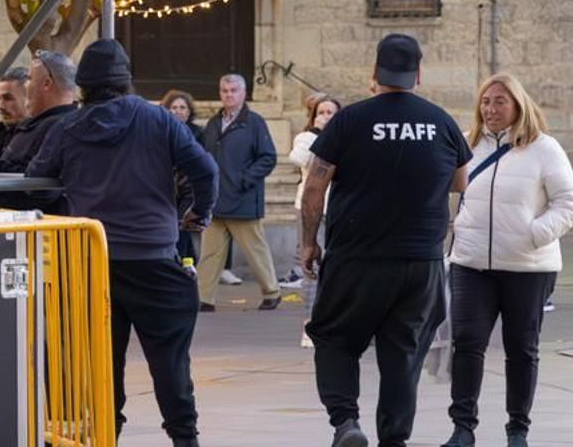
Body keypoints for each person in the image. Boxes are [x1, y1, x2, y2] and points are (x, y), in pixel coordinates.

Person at [27, 38, 217, 447]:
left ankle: (105, 434)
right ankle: (185, 439)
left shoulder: (67, 128)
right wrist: (198, 214)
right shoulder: (159, 120)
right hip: (154, 261)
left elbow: (35, 185)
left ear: (84, 86)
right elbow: (205, 170)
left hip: (94, 265)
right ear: (125, 80)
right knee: (170, 364)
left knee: (102, 363)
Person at [301, 33, 471, 447]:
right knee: (403, 353)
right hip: (420, 263)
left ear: (375, 73)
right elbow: (460, 182)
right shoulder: (441, 121)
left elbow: (313, 187)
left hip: (356, 258)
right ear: (418, 74)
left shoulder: (350, 120)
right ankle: (393, 439)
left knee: (335, 338)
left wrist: (309, 242)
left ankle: (346, 422)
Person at [441, 74, 573, 447]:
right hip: (471, 265)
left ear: (518, 105)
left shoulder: (544, 148)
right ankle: (462, 429)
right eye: (485, 102)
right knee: (468, 343)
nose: (491, 109)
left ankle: (517, 429)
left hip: (527, 267)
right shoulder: (468, 145)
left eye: (500, 101)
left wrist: (534, 235)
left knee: (521, 347)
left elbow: (569, 202)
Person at [197, 73, 282, 311]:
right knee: (210, 254)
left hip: (243, 200)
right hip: (216, 200)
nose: (229, 95)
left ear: (244, 94)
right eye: (224, 90)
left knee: (255, 250)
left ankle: (272, 292)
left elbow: (268, 158)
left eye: (234, 90)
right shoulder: (213, 124)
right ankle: (204, 298)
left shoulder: (255, 122)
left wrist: (245, 180)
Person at [0, 50, 77, 211]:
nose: (1, 106)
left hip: (36, 230)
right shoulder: (1, 133)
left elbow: (42, 186)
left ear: (47, 83)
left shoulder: (63, 127)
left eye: (29, 79)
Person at [284, 94, 342, 291]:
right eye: (321, 113)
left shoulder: (345, 138)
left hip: (336, 203)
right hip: (310, 204)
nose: (326, 116)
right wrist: (317, 132)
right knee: (309, 247)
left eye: (330, 113)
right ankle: (309, 282)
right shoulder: (306, 137)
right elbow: (298, 158)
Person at [160, 90, 203, 264]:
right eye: (174, 107)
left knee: (183, 229)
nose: (178, 111)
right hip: (166, 189)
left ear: (189, 111)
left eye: (182, 107)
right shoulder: (160, 131)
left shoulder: (198, 133)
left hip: (189, 190)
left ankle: (183, 263)